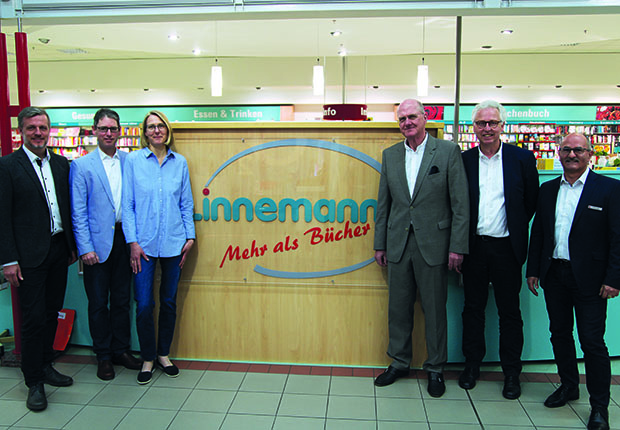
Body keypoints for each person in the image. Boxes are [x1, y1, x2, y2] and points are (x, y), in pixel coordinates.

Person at [373, 98, 469, 397]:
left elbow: (460, 204)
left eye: (412, 117)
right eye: (402, 119)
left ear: (425, 118)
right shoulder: (390, 155)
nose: (407, 123)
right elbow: (383, 204)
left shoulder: (448, 151)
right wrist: (380, 244)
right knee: (398, 308)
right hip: (398, 243)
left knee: (434, 309)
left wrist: (457, 246)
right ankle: (399, 362)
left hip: (435, 245)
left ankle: (436, 368)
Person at [526, 133, 620, 430]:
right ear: (558, 153)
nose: (572, 155)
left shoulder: (609, 189)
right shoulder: (548, 189)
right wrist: (533, 269)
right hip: (555, 274)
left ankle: (599, 406)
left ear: (590, 153)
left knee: (592, 342)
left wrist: (614, 278)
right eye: (566, 149)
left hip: (592, 281)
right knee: (560, 334)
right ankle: (569, 386)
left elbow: (618, 238)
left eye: (578, 149)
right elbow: (539, 232)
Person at [458, 100, 539, 399]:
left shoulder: (522, 159)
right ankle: (471, 366)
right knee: (472, 309)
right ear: (474, 127)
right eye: (481, 123)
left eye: (492, 123)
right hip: (473, 247)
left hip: (507, 248)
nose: (487, 128)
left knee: (510, 313)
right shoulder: (463, 160)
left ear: (502, 125)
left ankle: (511, 373)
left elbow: (529, 203)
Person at [0, 106, 77, 411]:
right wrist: (8, 260)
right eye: (32, 128)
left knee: (51, 313)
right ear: (21, 131)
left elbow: (67, 208)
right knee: (32, 320)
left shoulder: (60, 164)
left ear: (49, 130)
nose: (38, 133)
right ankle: (33, 381)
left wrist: (71, 246)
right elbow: (2, 217)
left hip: (58, 251)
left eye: (43, 128)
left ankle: (46, 366)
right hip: (27, 258)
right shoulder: (7, 166)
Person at [122, 110, 195, 385]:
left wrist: (190, 237)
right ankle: (148, 358)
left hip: (175, 243)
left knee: (168, 302)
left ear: (167, 130)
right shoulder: (134, 161)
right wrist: (133, 243)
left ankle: (164, 354)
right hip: (144, 248)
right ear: (145, 132)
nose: (156, 131)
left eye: (160, 126)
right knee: (144, 304)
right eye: (151, 127)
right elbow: (127, 206)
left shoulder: (180, 162)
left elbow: (185, 203)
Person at [70, 108, 143, 381]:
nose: (109, 133)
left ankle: (121, 350)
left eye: (113, 129)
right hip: (96, 245)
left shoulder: (130, 161)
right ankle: (103, 355)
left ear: (120, 130)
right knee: (99, 302)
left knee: (123, 300)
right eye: (103, 129)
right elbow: (78, 212)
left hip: (126, 239)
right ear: (94, 131)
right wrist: (85, 248)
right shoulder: (81, 165)